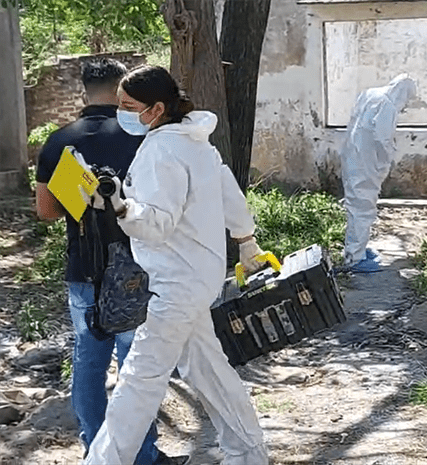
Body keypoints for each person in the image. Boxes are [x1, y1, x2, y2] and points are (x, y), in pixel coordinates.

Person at [81, 65, 269, 465]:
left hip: (171, 283)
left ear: (156, 108)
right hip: (198, 278)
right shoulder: (197, 142)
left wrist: (120, 206)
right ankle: (249, 453)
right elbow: (230, 195)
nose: (122, 112)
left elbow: (156, 224)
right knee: (209, 371)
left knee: (138, 381)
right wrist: (247, 241)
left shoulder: (160, 150)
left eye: (129, 106)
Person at [35, 58, 182, 465]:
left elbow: (46, 210)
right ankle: (142, 454)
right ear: (122, 91)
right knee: (137, 367)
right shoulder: (144, 137)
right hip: (141, 267)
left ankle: (95, 450)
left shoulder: (60, 140)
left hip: (84, 267)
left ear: (83, 90)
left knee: (89, 361)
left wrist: (80, 196)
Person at [340, 74, 417, 273]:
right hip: (366, 162)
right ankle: (355, 259)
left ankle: (355, 250)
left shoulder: (370, 94)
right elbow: (383, 140)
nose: (405, 106)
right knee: (363, 209)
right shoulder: (388, 106)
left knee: (355, 205)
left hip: (351, 155)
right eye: (407, 100)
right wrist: (386, 163)